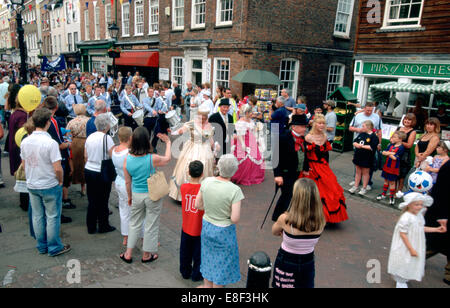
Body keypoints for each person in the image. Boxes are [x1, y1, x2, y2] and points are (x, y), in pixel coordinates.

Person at [20, 108, 71, 257]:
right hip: (49, 183)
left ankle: (41, 244)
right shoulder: (50, 143)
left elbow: (24, 164)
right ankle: (54, 246)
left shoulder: (26, 141)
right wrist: (60, 180)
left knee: (37, 215)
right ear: (48, 122)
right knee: (52, 216)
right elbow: (58, 168)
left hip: (33, 183)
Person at [119, 127, 172, 264]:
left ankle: (128, 253)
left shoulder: (127, 159)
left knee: (134, 223)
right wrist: (168, 143)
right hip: (152, 194)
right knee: (151, 224)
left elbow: (127, 181)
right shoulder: (151, 158)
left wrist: (130, 197)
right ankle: (146, 254)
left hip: (136, 194)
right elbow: (167, 159)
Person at [194, 154, 244, 288]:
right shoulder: (235, 190)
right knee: (222, 265)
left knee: (207, 259)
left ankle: (206, 286)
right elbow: (235, 218)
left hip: (207, 226)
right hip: (224, 230)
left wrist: (210, 208)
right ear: (234, 170)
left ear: (219, 167)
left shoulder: (206, 181)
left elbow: (197, 205)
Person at [271, 178, 326, 288]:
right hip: (308, 261)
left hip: (287, 260)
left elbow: (274, 231)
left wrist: (283, 232)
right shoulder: (321, 220)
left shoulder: (285, 219)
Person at [387, 193, 445, 288]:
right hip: (405, 245)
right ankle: (400, 281)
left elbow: (420, 228)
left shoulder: (418, 216)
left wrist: (436, 229)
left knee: (410, 262)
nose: (419, 207)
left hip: (415, 243)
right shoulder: (406, 218)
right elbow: (403, 234)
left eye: (421, 205)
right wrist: (411, 249)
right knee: (403, 261)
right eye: (417, 204)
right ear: (409, 205)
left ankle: (405, 278)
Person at [302, 114, 348, 223]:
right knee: (314, 192)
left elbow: (326, 154)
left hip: (323, 166)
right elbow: (305, 155)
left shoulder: (325, 136)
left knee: (331, 187)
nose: (322, 125)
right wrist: (306, 168)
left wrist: (327, 167)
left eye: (323, 123)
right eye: (319, 123)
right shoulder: (308, 137)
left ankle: (326, 217)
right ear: (314, 124)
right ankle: (312, 216)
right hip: (312, 167)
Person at [169, 104, 216, 201]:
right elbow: (182, 130)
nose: (203, 119)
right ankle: (184, 195)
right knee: (187, 166)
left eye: (205, 117)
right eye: (201, 117)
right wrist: (173, 132)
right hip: (192, 147)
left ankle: (202, 196)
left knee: (206, 166)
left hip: (205, 149)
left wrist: (214, 148)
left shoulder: (209, 125)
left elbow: (210, 138)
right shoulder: (192, 123)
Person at [272, 114, 309, 221]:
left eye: (305, 126)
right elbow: (275, 157)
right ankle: (277, 217)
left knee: (293, 194)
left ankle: (287, 213)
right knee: (287, 194)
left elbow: (304, 153)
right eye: (302, 126)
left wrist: (306, 168)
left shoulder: (302, 138)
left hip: (297, 171)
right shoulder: (283, 138)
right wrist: (277, 175)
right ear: (294, 126)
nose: (304, 128)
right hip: (285, 172)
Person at [84, 113, 116, 234]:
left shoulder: (90, 137)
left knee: (92, 199)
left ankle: (91, 226)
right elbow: (112, 155)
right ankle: (103, 225)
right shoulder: (107, 138)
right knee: (103, 199)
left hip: (89, 169)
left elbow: (85, 155)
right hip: (101, 170)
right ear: (107, 125)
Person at [43, 97, 75, 212]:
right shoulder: (52, 121)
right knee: (58, 183)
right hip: (57, 156)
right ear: (55, 108)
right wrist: (68, 144)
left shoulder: (40, 119)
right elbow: (59, 144)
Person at [425, 154, 449, 285]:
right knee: (433, 241)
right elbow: (440, 191)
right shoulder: (448, 167)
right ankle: (418, 258)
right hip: (442, 212)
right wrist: (443, 215)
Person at [179, 160, 205, 282]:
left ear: (189, 172)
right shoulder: (203, 189)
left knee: (185, 252)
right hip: (199, 227)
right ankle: (196, 274)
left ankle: (185, 271)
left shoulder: (184, 187)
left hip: (186, 225)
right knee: (198, 254)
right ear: (202, 174)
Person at [349, 102, 382, 189]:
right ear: (364, 108)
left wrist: (379, 143)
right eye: (367, 110)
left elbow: (379, 130)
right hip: (359, 141)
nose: (369, 112)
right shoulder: (358, 116)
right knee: (357, 162)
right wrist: (359, 130)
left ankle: (368, 183)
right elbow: (350, 127)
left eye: (371, 110)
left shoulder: (377, 117)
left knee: (368, 164)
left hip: (370, 143)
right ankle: (357, 181)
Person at [231, 104, 265, 185]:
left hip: (252, 141)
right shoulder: (240, 122)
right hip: (243, 141)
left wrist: (257, 139)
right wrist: (243, 144)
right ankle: (243, 176)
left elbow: (253, 131)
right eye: (250, 112)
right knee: (246, 160)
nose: (252, 114)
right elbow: (239, 135)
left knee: (255, 157)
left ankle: (252, 176)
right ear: (246, 113)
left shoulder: (251, 120)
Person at [112, 127, 134, 246]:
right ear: (130, 138)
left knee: (124, 210)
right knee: (135, 211)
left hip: (119, 181)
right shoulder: (129, 153)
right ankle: (139, 236)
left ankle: (125, 237)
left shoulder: (115, 150)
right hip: (127, 183)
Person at [7, 88, 28, 210]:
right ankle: (25, 203)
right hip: (19, 147)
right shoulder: (21, 116)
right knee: (23, 174)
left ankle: (23, 201)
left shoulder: (15, 113)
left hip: (14, 146)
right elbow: (23, 131)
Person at [349, 120, 379, 195]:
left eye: (363, 126)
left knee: (365, 173)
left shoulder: (374, 137)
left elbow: (372, 147)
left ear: (368, 127)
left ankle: (364, 188)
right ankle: (355, 186)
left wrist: (362, 146)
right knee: (358, 172)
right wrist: (356, 144)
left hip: (367, 157)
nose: (362, 128)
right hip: (358, 156)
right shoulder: (362, 134)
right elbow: (355, 141)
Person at [377, 131, 406, 205]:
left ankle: (392, 196)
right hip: (387, 166)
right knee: (386, 180)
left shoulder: (401, 148)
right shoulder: (390, 145)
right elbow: (383, 152)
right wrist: (390, 153)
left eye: (394, 137)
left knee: (392, 182)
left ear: (400, 139)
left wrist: (388, 153)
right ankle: (383, 194)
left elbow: (395, 158)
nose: (392, 138)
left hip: (394, 168)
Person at [66, 104, 89, 196]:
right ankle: (84, 186)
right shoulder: (89, 120)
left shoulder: (71, 122)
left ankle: (74, 181)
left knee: (76, 163)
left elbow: (68, 135)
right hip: (87, 142)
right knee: (85, 163)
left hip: (75, 143)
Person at [395, 113, 417, 198]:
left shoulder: (413, 131)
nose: (407, 121)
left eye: (409, 120)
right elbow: (392, 138)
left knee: (402, 174)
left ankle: (399, 191)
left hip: (404, 155)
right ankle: (394, 190)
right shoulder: (399, 128)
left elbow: (409, 145)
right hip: (396, 152)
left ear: (413, 121)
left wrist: (398, 141)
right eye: (406, 119)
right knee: (395, 173)